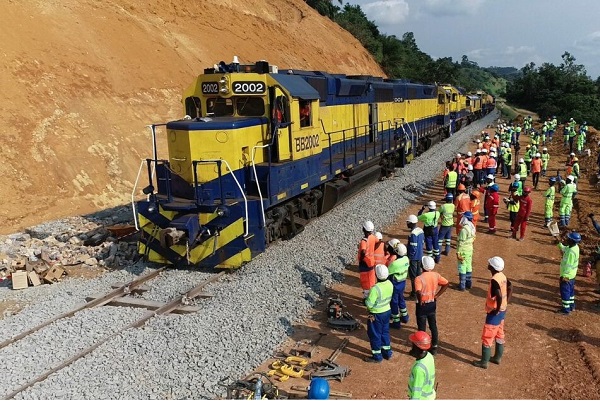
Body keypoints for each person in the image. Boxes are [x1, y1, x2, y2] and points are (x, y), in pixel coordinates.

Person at [473, 256, 513, 369]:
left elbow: (499, 295)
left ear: (492, 267)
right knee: (499, 334)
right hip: (502, 311)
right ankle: (497, 358)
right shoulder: (502, 276)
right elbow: (511, 287)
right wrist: (506, 302)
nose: (488, 264)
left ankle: (484, 362)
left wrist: (496, 308)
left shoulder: (495, 280)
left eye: (489, 263)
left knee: (488, 336)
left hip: (494, 312)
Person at [415, 256, 449, 356]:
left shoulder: (419, 278)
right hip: (432, 304)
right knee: (433, 325)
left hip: (422, 305)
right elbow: (446, 283)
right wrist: (437, 295)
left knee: (421, 327)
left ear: (422, 266)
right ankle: (434, 346)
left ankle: (422, 347)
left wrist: (420, 301)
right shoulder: (436, 275)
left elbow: (418, 291)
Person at [364, 264, 393, 362]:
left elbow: (369, 304)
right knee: (385, 332)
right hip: (387, 311)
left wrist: (366, 300)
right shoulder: (390, 283)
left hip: (376, 314)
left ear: (376, 275)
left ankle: (377, 356)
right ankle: (387, 352)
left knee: (375, 334)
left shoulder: (375, 288)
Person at [556, 232, 581, 314]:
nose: (567, 239)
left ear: (572, 241)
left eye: (568, 238)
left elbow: (568, 266)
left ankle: (566, 310)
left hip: (567, 276)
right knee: (570, 292)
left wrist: (564, 277)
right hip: (572, 276)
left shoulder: (571, 252)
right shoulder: (573, 247)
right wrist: (559, 243)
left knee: (565, 292)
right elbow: (564, 249)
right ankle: (571, 306)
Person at [407, 331, 436, 400]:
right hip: (430, 395)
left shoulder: (418, 369)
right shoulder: (429, 356)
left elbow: (416, 391)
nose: (411, 347)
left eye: (413, 345)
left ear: (418, 348)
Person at [388, 243, 410, 329]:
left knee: (394, 302)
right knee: (401, 299)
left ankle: (396, 322)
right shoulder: (406, 259)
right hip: (402, 283)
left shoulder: (395, 264)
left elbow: (387, 272)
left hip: (395, 285)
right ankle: (405, 317)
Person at [456, 211, 476, 291]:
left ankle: (462, 286)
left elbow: (461, 242)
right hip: (469, 249)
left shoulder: (464, 229)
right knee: (468, 266)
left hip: (463, 250)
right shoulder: (472, 226)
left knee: (462, 267)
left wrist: (458, 253)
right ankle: (469, 283)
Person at [357, 221, 377, 299]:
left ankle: (366, 297)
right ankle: (372, 294)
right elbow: (378, 241)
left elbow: (363, 251)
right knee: (371, 279)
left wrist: (362, 258)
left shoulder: (363, 241)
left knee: (365, 280)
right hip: (371, 262)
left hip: (364, 263)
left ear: (364, 229)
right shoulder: (373, 237)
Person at [407, 215, 425, 299]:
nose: (407, 224)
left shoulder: (413, 233)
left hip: (414, 258)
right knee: (419, 274)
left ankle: (414, 293)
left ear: (411, 223)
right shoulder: (420, 230)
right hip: (420, 255)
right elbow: (422, 242)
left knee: (413, 276)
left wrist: (409, 257)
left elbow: (413, 247)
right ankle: (420, 290)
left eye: (408, 222)